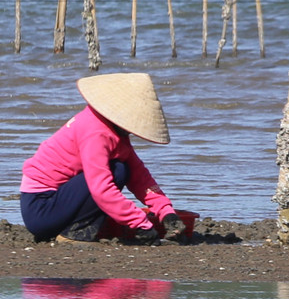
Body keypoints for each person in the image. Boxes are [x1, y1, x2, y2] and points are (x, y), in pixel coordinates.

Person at [20, 72, 180, 244]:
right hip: (41, 209)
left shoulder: (110, 128)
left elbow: (139, 176)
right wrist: (140, 223)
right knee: (118, 171)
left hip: (57, 201)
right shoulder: (97, 132)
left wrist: (166, 211)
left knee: (123, 168)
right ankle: (75, 233)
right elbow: (101, 188)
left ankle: (75, 227)